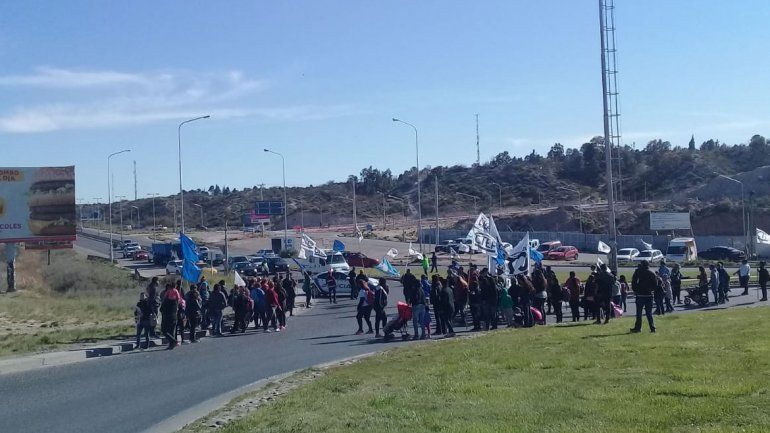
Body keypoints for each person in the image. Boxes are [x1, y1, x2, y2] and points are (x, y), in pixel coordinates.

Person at [630, 260, 656, 333]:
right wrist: (651, 290)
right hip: (649, 295)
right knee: (649, 313)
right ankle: (652, 328)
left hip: (640, 295)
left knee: (639, 313)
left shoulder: (638, 272)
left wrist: (636, 290)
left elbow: (634, 282)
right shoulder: (652, 272)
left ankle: (638, 328)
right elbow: (655, 284)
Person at [159, 283, 180, 349]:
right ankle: (172, 344)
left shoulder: (166, 302)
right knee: (172, 331)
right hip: (174, 317)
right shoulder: (176, 303)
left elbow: (161, 309)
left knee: (164, 330)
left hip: (167, 317)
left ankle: (173, 341)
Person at [408, 273, 427, 339]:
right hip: (422, 306)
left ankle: (416, 334)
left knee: (415, 321)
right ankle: (423, 334)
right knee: (422, 321)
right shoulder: (421, 290)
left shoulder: (414, 290)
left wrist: (410, 302)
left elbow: (413, 298)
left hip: (416, 305)